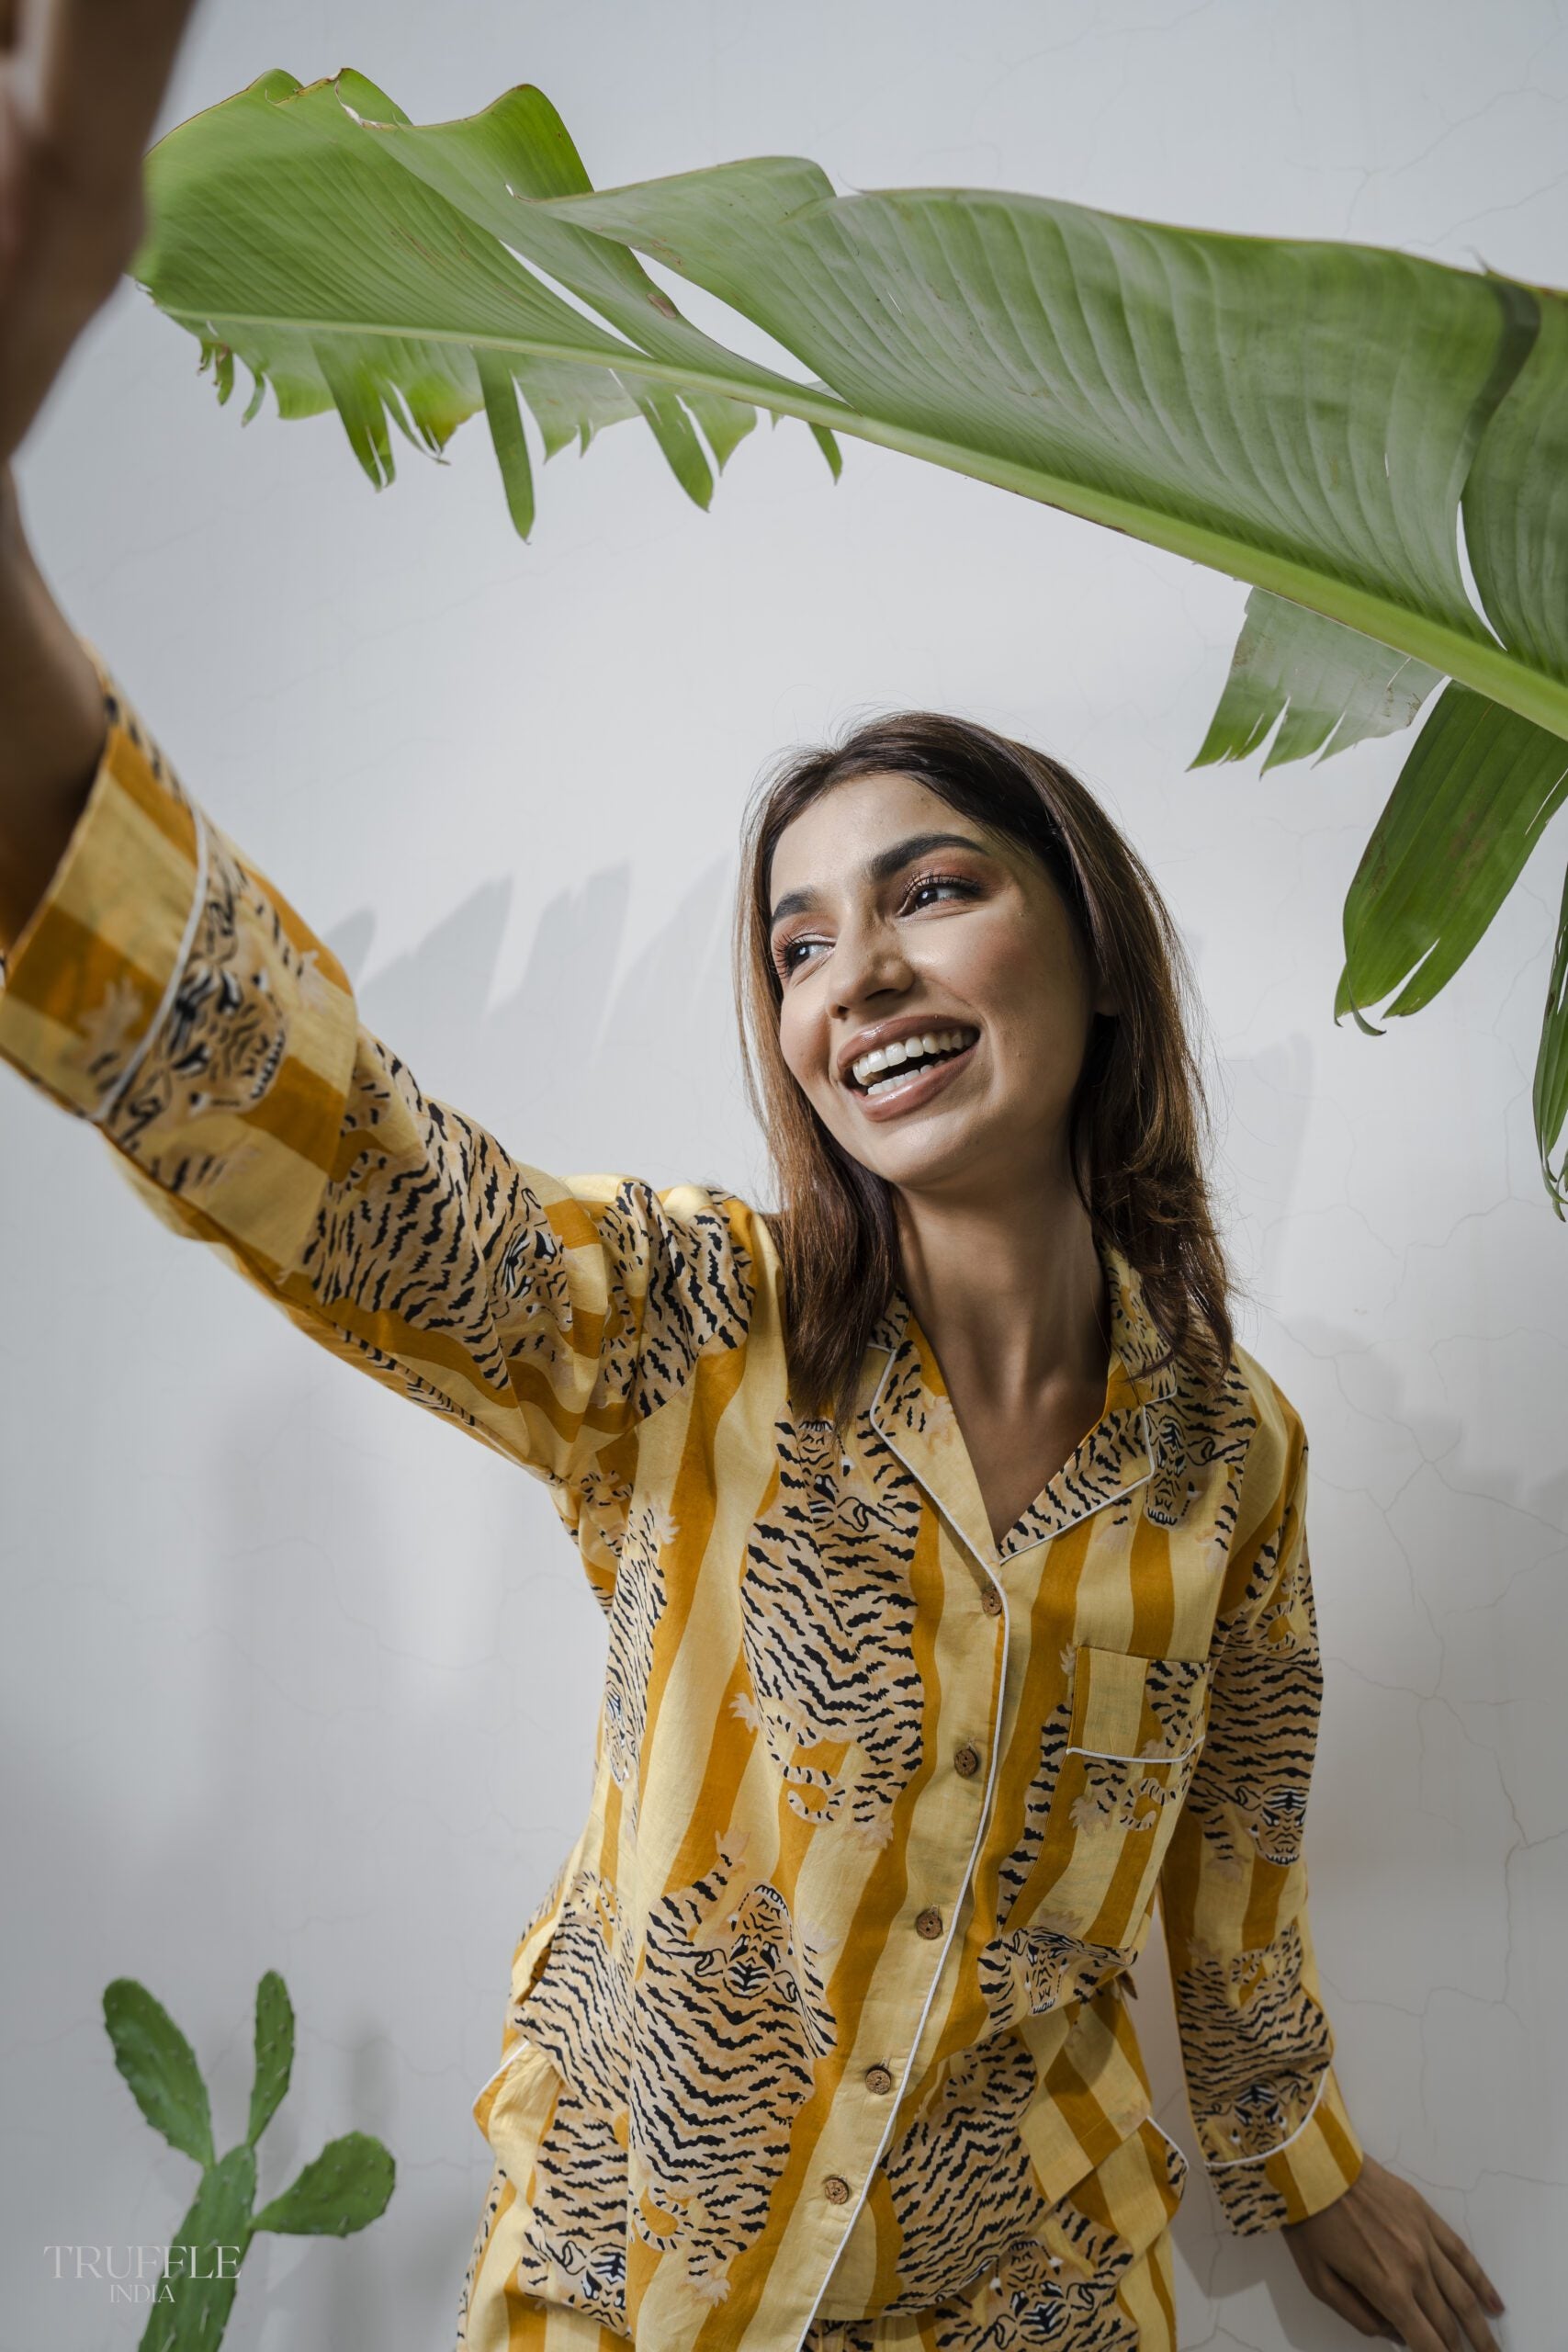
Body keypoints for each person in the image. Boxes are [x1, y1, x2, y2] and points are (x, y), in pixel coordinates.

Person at [0, 7, 1510, 2350]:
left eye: (929, 891)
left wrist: (1303, 2167)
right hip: (633, 2284)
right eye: (795, 942)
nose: (852, 971)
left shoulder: (1236, 1458)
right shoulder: (684, 1325)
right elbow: (331, 1144)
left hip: (1032, 2297)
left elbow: (1229, 1893)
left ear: (1088, 950)